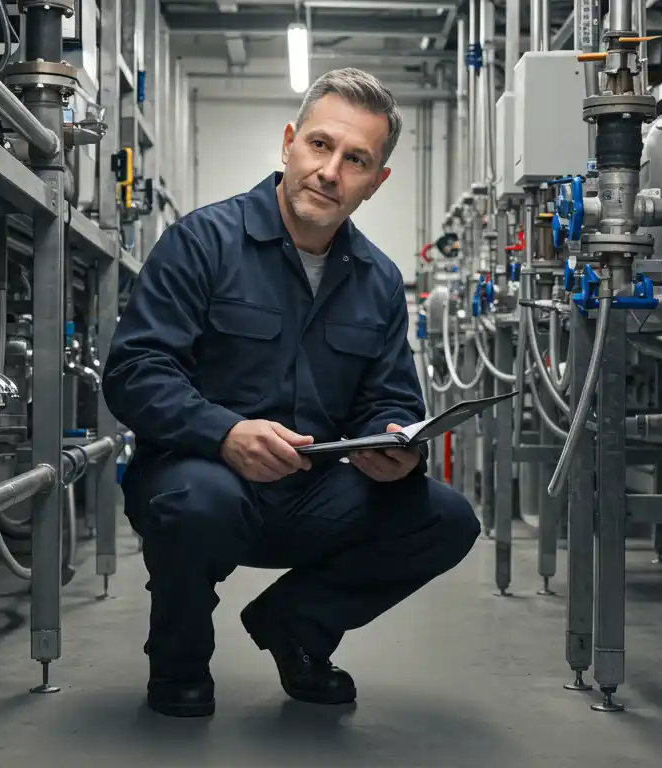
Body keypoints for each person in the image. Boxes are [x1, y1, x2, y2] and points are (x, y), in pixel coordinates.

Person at [101, 68, 479, 719]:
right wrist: (222, 432)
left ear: (376, 180)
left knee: (444, 517)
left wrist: (395, 442)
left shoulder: (379, 281)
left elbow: (390, 397)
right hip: (204, 479)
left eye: (356, 159)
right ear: (288, 143)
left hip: (314, 494)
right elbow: (135, 370)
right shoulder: (202, 243)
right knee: (197, 502)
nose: (331, 171)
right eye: (320, 145)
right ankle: (180, 659)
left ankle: (296, 627)